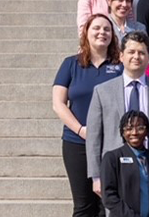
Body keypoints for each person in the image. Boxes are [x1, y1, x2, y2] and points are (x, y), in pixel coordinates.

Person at [86, 31, 149, 203]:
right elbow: (93, 137)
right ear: (121, 56)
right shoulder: (102, 91)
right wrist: (96, 176)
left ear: (148, 57)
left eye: (141, 52)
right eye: (131, 52)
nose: (136, 56)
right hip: (115, 171)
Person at [53, 14, 123, 217]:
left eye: (107, 29)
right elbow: (58, 104)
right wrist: (81, 130)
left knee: (107, 206)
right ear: (86, 32)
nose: (102, 32)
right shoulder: (71, 64)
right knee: (83, 206)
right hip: (77, 142)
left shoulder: (120, 66)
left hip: (111, 143)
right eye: (97, 28)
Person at [100, 111, 149, 217]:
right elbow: (108, 196)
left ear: (147, 131)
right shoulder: (112, 158)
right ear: (122, 132)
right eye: (129, 128)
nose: (134, 132)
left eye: (140, 128)